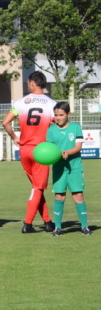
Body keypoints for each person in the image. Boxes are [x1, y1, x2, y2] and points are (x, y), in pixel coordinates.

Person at [3, 71, 56, 233]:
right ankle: (27, 224)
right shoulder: (51, 103)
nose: (27, 85)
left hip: (25, 150)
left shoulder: (21, 102)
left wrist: (14, 137)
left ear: (33, 83)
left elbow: (5, 122)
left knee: (37, 187)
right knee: (38, 188)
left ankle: (47, 222)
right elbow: (58, 123)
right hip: (42, 151)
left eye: (28, 83)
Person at [47, 101, 92, 236]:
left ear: (68, 114)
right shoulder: (51, 130)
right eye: (56, 115)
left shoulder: (76, 128)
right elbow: (49, 150)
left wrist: (67, 152)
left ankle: (84, 227)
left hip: (75, 168)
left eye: (61, 115)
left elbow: (78, 147)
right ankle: (58, 228)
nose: (58, 118)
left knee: (78, 195)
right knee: (59, 196)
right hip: (59, 169)